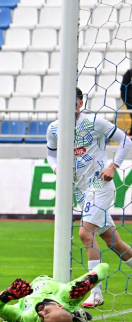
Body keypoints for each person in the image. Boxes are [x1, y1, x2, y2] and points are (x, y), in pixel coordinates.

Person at [47, 88, 132, 308]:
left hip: (99, 184)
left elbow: (126, 141)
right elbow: (51, 154)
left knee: (85, 233)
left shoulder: (94, 122)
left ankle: (96, 294)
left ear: (81, 103)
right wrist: (57, 169)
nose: (69, 106)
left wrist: (113, 166)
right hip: (80, 190)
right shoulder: (54, 128)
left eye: (73, 102)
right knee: (114, 242)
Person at [0, 263, 109, 322]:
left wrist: (6, 295)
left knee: (2, 317)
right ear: (61, 306)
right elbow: (104, 267)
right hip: (43, 285)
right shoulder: (68, 295)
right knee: (73, 304)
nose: (40, 314)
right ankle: (76, 312)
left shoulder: (29, 319)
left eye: (42, 319)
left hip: (21, 305)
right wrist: (90, 279)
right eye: (47, 313)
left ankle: (76, 313)